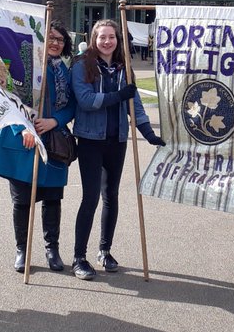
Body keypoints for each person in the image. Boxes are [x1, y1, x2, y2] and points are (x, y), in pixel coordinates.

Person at [70, 19, 165, 280]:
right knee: (90, 198)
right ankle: (79, 257)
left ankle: (105, 250)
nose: (107, 41)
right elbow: (87, 101)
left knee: (111, 195)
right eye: (102, 37)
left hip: (117, 140)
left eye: (111, 37)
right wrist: (119, 96)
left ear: (117, 39)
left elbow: (136, 104)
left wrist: (148, 133)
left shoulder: (125, 68)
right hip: (90, 139)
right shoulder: (82, 65)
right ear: (94, 39)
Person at [0, 21, 76, 273]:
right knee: (22, 201)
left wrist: (54, 121)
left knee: (52, 199)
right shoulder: (22, 65)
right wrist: (24, 127)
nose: (55, 43)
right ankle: (22, 249)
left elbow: (71, 105)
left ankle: (52, 248)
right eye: (50, 38)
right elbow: (6, 97)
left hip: (54, 140)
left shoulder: (65, 71)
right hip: (23, 140)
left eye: (60, 39)